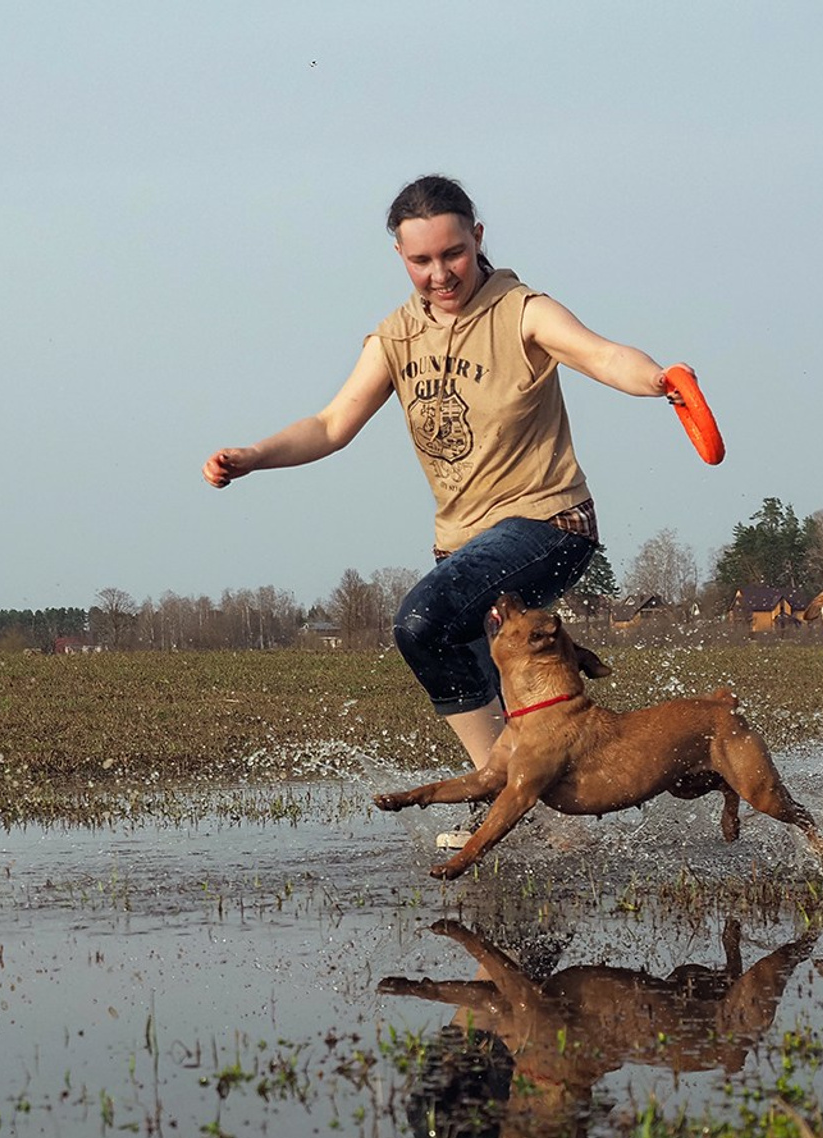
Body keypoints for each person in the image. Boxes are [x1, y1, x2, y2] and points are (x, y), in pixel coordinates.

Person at [203, 175, 688, 843]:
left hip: (548, 525)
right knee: (509, 698)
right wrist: (254, 455)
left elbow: (602, 355)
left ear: (478, 238)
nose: (440, 274)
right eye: (421, 260)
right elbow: (331, 424)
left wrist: (659, 381)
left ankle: (505, 800)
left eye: (453, 253)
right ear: (399, 257)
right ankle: (551, 816)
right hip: (461, 550)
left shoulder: (522, 311)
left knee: (421, 622)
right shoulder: (396, 337)